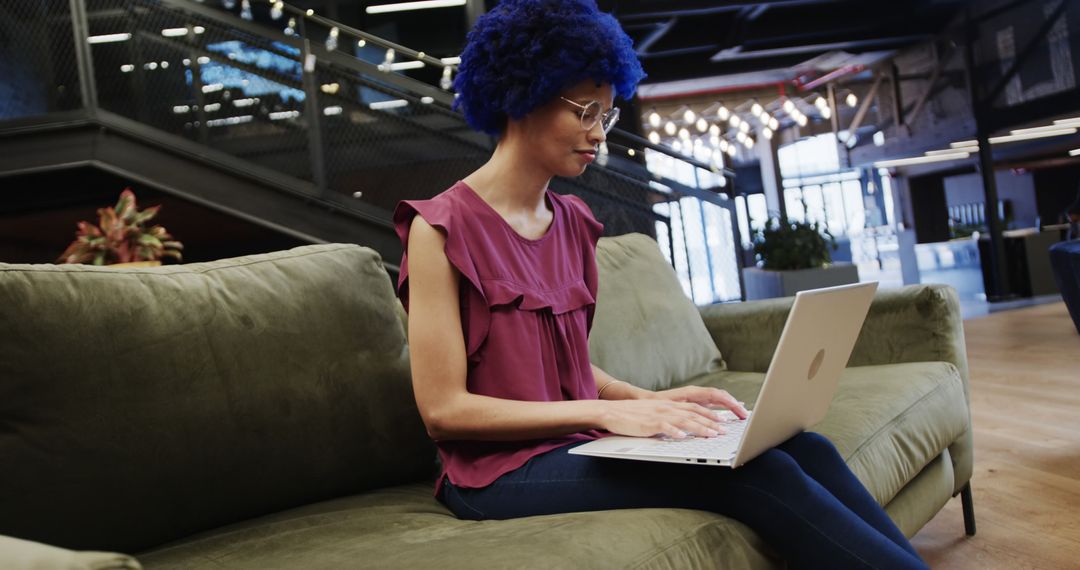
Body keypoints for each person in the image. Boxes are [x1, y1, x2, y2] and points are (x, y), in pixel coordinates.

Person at [393, 1, 929, 568]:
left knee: (801, 445)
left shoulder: (572, 223)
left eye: (608, 114)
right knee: (758, 475)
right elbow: (444, 410)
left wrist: (648, 401)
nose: (598, 133)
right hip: (494, 474)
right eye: (585, 111)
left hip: (578, 443)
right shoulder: (439, 228)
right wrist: (603, 415)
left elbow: (556, 368)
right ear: (520, 95)